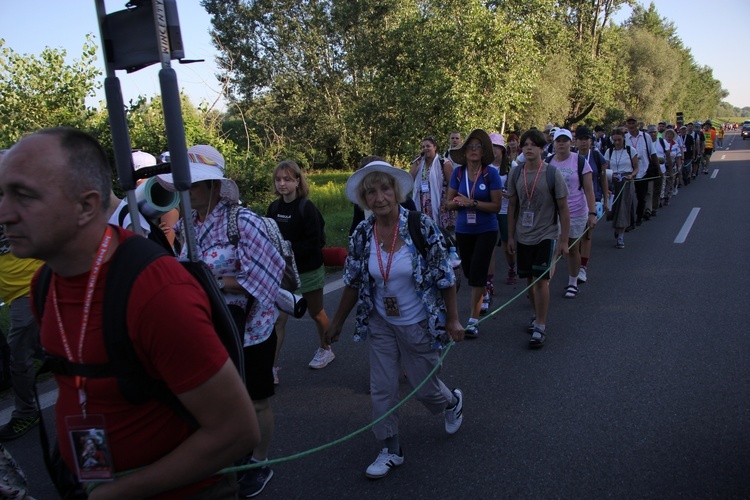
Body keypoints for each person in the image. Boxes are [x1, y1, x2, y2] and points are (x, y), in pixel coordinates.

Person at [0, 128, 258, 497]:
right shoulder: (44, 284)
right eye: (3, 194)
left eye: (25, 196)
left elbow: (236, 432)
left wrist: (120, 492)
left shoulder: (156, 292)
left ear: (87, 206)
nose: (4, 213)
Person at [157, 144, 283, 498]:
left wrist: (209, 281)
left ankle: (258, 461)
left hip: (250, 329)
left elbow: (266, 276)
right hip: (207, 326)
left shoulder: (244, 222)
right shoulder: (187, 226)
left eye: (194, 185)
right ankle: (231, 452)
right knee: (220, 400)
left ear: (213, 186)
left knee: (256, 399)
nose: (187, 191)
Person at [325, 160, 464, 480]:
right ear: (364, 199)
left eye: (385, 189)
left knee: (424, 387)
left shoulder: (420, 226)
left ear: (397, 191)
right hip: (380, 322)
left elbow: (445, 277)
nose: (379, 197)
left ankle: (451, 401)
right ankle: (390, 448)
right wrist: (337, 323)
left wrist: (453, 321)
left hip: (417, 322)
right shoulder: (362, 233)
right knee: (382, 387)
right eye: (371, 192)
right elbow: (353, 280)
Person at [267, 160, 332, 378]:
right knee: (278, 319)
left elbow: (314, 242)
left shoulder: (307, 207)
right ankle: (271, 367)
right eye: (278, 179)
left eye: (287, 179)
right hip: (282, 272)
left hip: (308, 270)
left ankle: (326, 349)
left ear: (297, 181)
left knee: (316, 312)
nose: (282, 184)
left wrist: (287, 250)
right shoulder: (274, 208)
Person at [506, 129, 570, 348]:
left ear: (542, 148)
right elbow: (513, 205)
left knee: (541, 279)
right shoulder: (516, 173)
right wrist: (511, 236)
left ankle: (541, 326)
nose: (529, 148)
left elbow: (563, 208)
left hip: (546, 233)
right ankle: (535, 314)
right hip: (524, 234)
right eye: (525, 145)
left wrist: (563, 241)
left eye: (534, 145)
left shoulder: (552, 173)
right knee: (530, 281)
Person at [0, 150, 44, 442]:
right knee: (46, 348)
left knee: (18, 355)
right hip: (19, 291)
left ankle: (26, 412)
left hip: (27, 288)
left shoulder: (16, 204)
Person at [445, 129, 503, 337]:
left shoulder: (491, 174)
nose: (474, 150)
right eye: (470, 147)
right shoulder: (458, 173)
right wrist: (458, 203)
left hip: (486, 229)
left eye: (478, 147)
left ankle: (472, 321)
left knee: (477, 274)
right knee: (469, 272)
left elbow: (496, 206)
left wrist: (474, 203)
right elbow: (448, 203)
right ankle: (483, 293)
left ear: (483, 151)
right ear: (465, 151)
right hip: (463, 230)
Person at [547, 129, 596, 298]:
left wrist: (592, 213)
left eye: (565, 140)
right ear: (553, 143)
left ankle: (573, 282)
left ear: (571, 143)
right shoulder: (548, 162)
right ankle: (544, 286)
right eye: (558, 140)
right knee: (552, 249)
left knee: (573, 248)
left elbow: (589, 190)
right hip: (553, 213)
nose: (561, 143)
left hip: (576, 211)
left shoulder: (580, 161)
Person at [572, 126, 608, 284]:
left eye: (586, 139)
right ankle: (576, 262)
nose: (583, 142)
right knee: (576, 236)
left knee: (587, 234)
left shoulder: (596, 156)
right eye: (580, 139)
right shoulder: (571, 157)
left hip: (593, 197)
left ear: (591, 141)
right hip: (575, 200)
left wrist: (606, 199)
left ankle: (583, 268)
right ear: (576, 141)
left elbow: (603, 177)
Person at [410, 136, 456, 232]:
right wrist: (415, 164)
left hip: (440, 203)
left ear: (435, 147)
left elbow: (452, 183)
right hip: (423, 204)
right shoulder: (420, 162)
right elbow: (410, 178)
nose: (425, 149)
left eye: (428, 146)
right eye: (423, 147)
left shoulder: (444, 162)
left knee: (440, 231)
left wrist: (448, 201)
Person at [604, 128, 638, 249]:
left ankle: (621, 237)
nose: (617, 142)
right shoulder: (609, 151)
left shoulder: (630, 151)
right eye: (615, 140)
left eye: (619, 140)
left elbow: (636, 168)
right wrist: (610, 175)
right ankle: (617, 226)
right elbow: (605, 167)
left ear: (624, 139)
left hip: (626, 181)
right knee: (612, 208)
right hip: (613, 181)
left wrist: (631, 175)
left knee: (623, 208)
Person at [624, 116, 659, 226]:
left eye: (633, 122)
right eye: (629, 123)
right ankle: (629, 219)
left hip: (643, 170)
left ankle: (639, 217)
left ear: (636, 124)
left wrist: (659, 169)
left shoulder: (645, 136)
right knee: (628, 197)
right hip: (629, 171)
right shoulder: (624, 138)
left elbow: (653, 153)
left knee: (641, 196)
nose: (631, 125)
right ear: (627, 125)